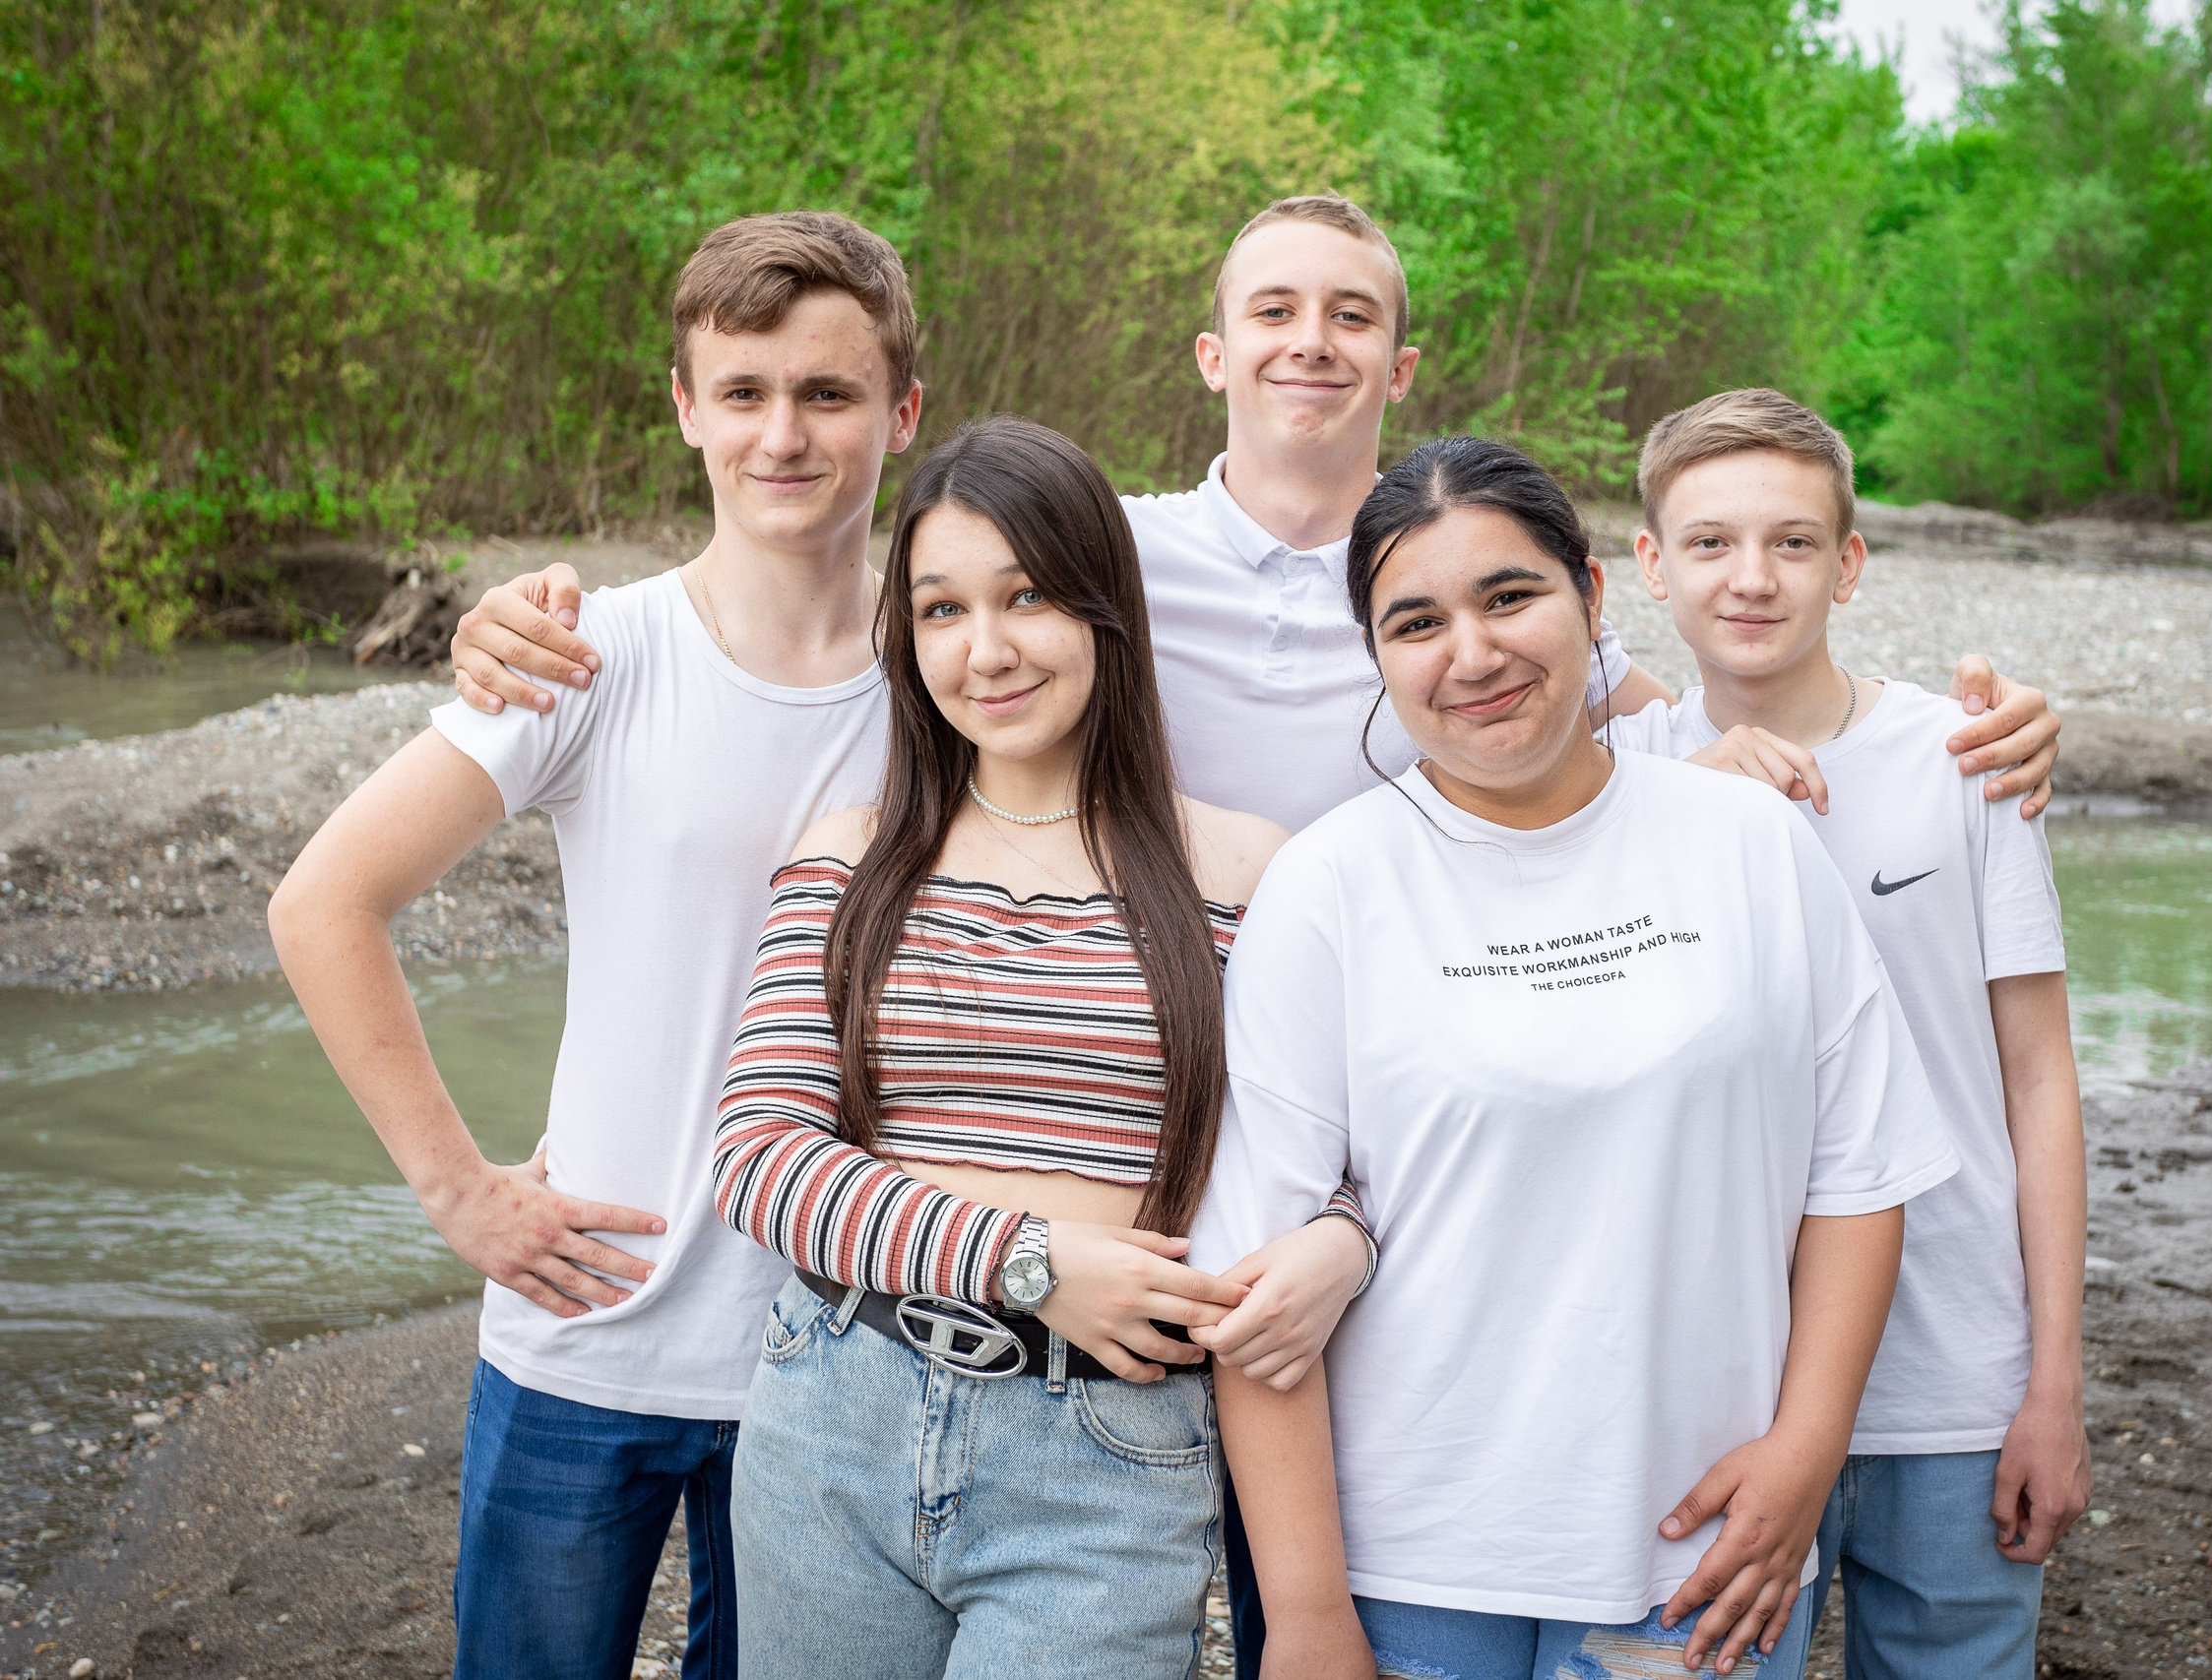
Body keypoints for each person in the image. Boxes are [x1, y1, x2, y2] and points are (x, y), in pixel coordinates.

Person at [440, 192, 2065, 1670]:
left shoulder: (1288, 861)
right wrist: (518, 619)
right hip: (856, 1385)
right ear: (1213, 351)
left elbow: (1579, 738)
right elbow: (879, 578)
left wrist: (1881, 740)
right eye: (948, 611)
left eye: (1351, 313)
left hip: (1155, 1385)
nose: (993, 641)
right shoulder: (969, 741)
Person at [266, 216, 1364, 1678]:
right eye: (742, 393)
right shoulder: (590, 653)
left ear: (899, 414)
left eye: (829, 394)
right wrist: (457, 1188)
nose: (783, 433)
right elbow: (323, 898)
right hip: (600, 1320)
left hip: (831, 1345)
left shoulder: (945, 681)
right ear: (685, 408)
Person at [1192, 435, 1959, 1680]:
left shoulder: (1749, 843)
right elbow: (1255, 1291)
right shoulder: (1328, 886)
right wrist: (1308, 1612)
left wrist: (1806, 1454)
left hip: (1701, 1552)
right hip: (1412, 1570)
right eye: (1415, 622)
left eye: (1510, 596)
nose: (1474, 654)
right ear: (1376, 658)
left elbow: (1856, 1177)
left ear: (1592, 597)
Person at [710, 414, 1294, 1675]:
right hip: (837, 1412)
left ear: (1105, 607)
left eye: (1026, 596)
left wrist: (1340, 1246)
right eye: (939, 610)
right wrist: (1025, 1262)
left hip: (1105, 1446)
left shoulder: (1245, 871)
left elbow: (1318, 1161)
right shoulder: (851, 854)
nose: (985, 651)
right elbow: (758, 1156)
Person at [1607, 389, 2089, 1679]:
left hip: (1953, 1385)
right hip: (1720, 1390)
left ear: (1850, 562)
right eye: (1708, 542)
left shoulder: (1965, 755)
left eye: (1793, 541)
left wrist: (2053, 1385)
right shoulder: (1612, 782)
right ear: (1650, 565)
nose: (1750, 577)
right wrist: (1667, 817)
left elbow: (2038, 1081)